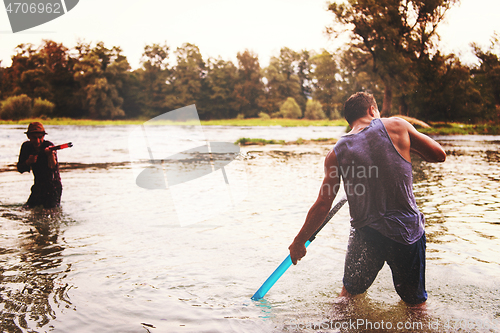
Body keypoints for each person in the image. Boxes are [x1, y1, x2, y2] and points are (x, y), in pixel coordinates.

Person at [288, 92, 446, 307]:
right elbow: (438, 154)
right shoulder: (397, 126)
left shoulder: (335, 153)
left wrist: (299, 241)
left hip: (366, 236)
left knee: (348, 297)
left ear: (350, 119)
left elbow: (323, 204)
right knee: (415, 305)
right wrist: (407, 143)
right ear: (372, 110)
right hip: (406, 233)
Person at [17, 122, 62, 209]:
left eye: (40, 137)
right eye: (34, 138)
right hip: (38, 186)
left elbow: (53, 166)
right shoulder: (26, 147)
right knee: (25, 209)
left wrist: (50, 155)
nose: (37, 141)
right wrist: (28, 162)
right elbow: (20, 169)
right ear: (28, 136)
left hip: (53, 187)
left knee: (50, 214)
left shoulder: (49, 146)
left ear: (43, 136)